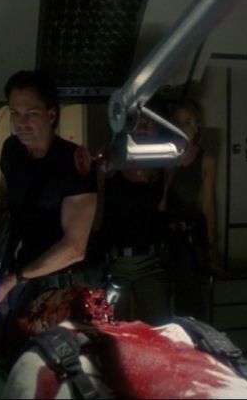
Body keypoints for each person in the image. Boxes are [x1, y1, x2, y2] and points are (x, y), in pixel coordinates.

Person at [0, 70, 97, 362]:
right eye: (14, 113)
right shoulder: (12, 150)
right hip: (23, 272)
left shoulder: (72, 161)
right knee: (15, 356)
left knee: (56, 366)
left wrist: (16, 278)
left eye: (31, 113)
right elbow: (4, 200)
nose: (21, 122)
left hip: (64, 281)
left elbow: (75, 248)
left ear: (51, 115)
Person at [98, 94, 172, 325]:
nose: (143, 126)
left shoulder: (166, 161)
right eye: (137, 120)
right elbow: (93, 206)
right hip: (115, 262)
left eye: (150, 121)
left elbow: (164, 208)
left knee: (159, 329)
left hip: (151, 261)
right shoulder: (110, 159)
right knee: (111, 330)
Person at [162, 97, 225, 321]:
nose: (183, 128)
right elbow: (159, 202)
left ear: (197, 127)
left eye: (188, 122)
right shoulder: (162, 155)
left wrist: (211, 246)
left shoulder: (205, 159)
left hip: (190, 239)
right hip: (163, 238)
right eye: (178, 123)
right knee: (161, 304)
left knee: (191, 306)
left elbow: (208, 205)